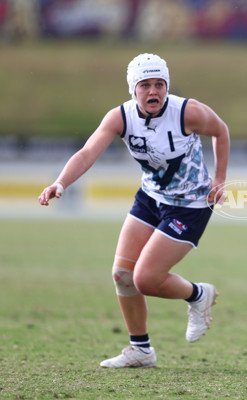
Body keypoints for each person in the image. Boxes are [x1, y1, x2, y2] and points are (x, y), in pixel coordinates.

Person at [38, 53, 230, 367]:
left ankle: (198, 295)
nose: (153, 92)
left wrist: (220, 178)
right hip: (150, 199)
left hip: (189, 206)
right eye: (145, 85)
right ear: (133, 89)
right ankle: (141, 350)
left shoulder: (187, 111)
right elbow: (88, 152)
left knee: (145, 279)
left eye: (159, 84)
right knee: (122, 275)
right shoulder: (120, 118)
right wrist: (60, 183)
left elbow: (220, 131)